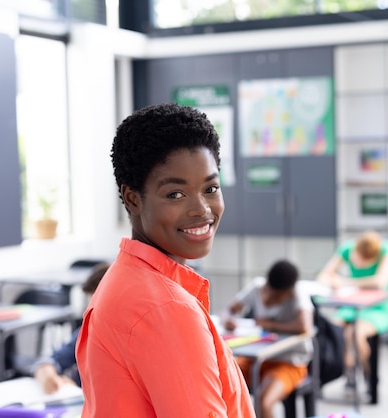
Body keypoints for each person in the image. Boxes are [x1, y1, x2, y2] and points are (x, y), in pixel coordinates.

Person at [76, 103, 255, 417]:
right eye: (175, 194)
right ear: (133, 199)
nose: (202, 209)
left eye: (210, 188)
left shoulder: (121, 280)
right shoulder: (167, 309)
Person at [223, 259, 313, 418]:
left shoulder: (297, 294)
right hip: (256, 358)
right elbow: (230, 310)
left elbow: (305, 326)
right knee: (221, 380)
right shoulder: (257, 288)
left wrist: (269, 324)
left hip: (288, 361)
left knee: (264, 401)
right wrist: (229, 320)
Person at [316, 229, 388, 394]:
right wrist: (331, 281)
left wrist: (345, 282)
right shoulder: (348, 249)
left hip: (377, 308)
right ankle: (348, 371)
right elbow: (324, 275)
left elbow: (380, 282)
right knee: (335, 329)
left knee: (356, 333)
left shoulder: (386, 250)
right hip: (351, 306)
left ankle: (369, 377)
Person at [32, 262, 110, 394]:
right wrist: (49, 377)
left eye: (98, 304)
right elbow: (50, 361)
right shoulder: (86, 333)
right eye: (90, 303)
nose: (91, 311)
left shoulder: (125, 342)